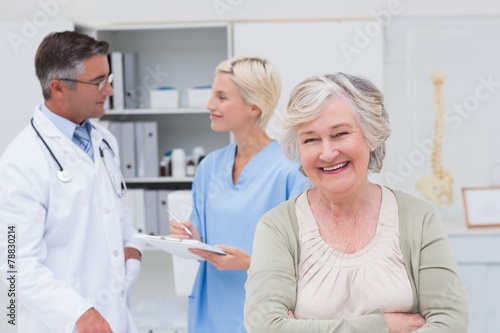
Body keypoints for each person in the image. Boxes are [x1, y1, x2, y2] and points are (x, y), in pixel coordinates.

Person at [244, 73, 469, 332]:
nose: (327, 153)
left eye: (340, 134)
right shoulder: (277, 227)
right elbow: (265, 326)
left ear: (371, 136)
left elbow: (451, 322)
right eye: (310, 139)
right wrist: (382, 325)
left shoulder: (418, 218)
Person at [0, 31, 142, 333]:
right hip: (60, 324)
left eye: (109, 77)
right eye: (99, 82)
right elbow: (14, 265)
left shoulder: (104, 142)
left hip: (113, 316)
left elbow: (114, 213)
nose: (111, 90)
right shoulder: (21, 162)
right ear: (58, 88)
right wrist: (79, 313)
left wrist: (133, 247)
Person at [169, 56, 310, 332]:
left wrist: (249, 263)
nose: (210, 105)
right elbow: (202, 233)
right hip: (211, 310)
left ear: (253, 106)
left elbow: (308, 259)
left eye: (221, 97)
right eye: (212, 95)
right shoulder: (209, 167)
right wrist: (190, 236)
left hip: (265, 311)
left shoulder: (291, 171)